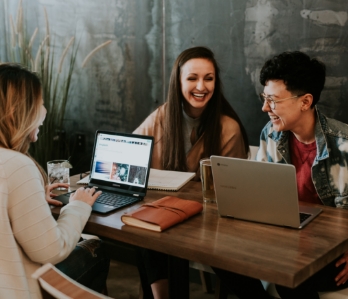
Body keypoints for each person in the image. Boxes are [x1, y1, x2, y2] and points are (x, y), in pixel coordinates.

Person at [213, 51, 348, 299]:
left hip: (330, 253)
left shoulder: (343, 144)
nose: (265, 108)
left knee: (289, 273)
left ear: (305, 102)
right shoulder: (271, 134)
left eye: (273, 100)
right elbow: (257, 195)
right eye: (264, 98)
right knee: (218, 255)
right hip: (283, 241)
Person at [133, 46, 249, 299]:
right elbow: (132, 152)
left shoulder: (228, 128)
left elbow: (232, 192)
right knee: (143, 230)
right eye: (192, 78)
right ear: (178, 81)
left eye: (209, 78)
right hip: (164, 215)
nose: (201, 86)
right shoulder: (163, 116)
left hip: (208, 223)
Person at [0, 63, 110, 298]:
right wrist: (78, 206)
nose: (45, 111)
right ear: (18, 112)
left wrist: (35, 199)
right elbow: (51, 250)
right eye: (39, 104)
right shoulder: (17, 165)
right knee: (97, 250)